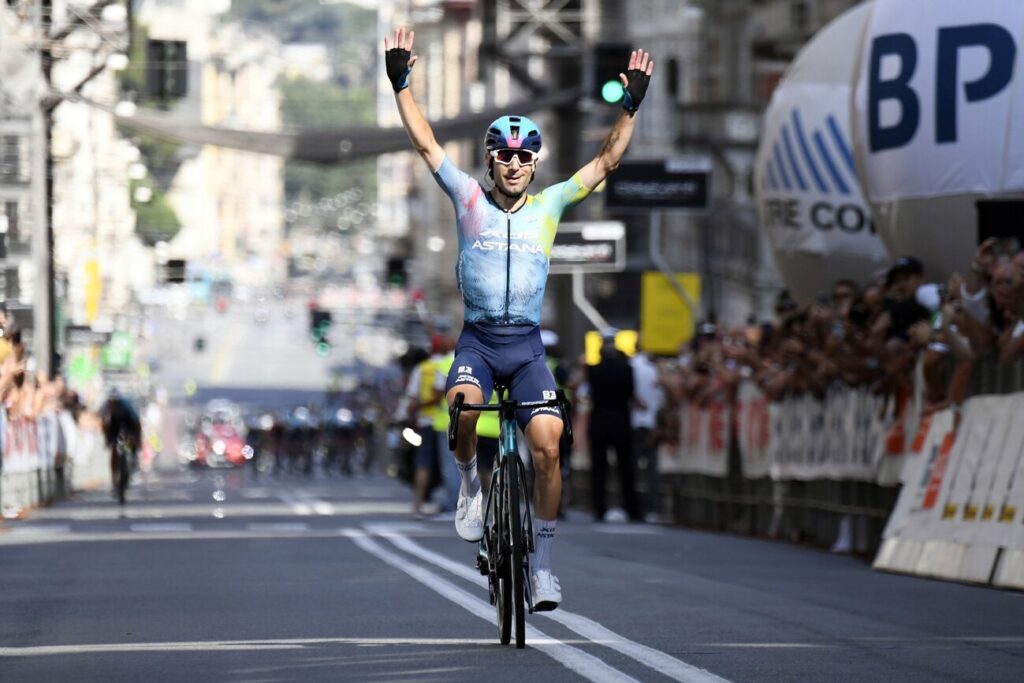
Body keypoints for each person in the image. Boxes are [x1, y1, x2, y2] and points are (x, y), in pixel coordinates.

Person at [385, 26, 653, 611]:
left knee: (550, 447)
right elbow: (427, 143)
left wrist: (631, 105)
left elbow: (607, 159)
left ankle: (544, 568)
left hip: (528, 348)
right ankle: (471, 486)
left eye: (523, 156)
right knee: (459, 411)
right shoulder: (467, 200)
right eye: (503, 155)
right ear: (489, 159)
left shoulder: (552, 203)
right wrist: (402, 84)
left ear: (534, 163)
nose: (512, 163)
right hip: (479, 343)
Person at [587, 331, 641, 523]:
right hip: (621, 421)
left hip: (600, 421)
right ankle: (632, 507)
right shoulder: (626, 369)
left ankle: (599, 507)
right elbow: (631, 392)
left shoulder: (593, 370)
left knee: (599, 468)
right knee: (626, 467)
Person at [629, 336, 664, 522]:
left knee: (634, 470)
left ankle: (636, 508)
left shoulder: (632, 366)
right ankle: (651, 508)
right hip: (652, 423)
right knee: (651, 470)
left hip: (635, 423)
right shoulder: (659, 369)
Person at [100, 392, 142, 497]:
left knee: (129, 443)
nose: (114, 404)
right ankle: (114, 479)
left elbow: (137, 424)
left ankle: (130, 462)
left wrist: (137, 440)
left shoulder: (127, 406)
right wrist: (107, 439)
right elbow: (105, 425)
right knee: (114, 449)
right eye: (112, 402)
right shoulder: (106, 406)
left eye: (116, 402)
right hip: (114, 426)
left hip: (128, 424)